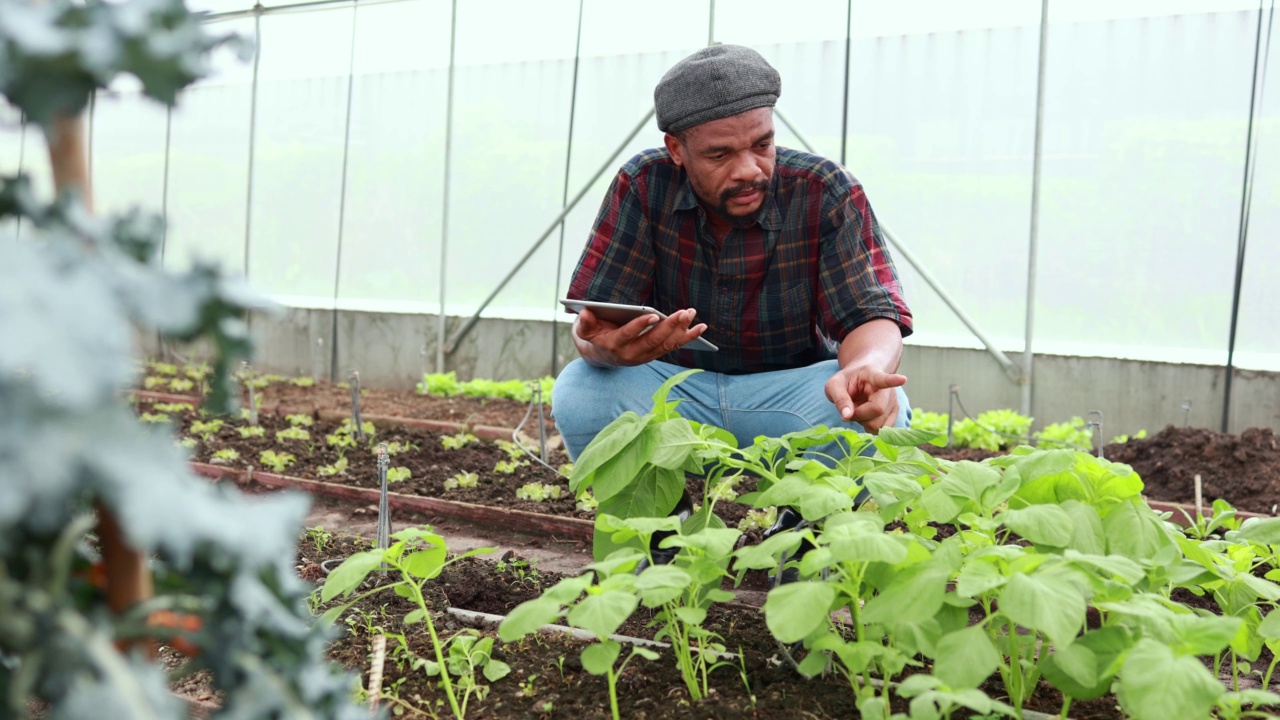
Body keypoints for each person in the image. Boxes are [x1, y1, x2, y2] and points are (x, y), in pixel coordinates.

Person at [552, 45, 913, 553]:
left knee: (866, 409)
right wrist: (603, 349)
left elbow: (870, 311)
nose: (749, 169)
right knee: (583, 391)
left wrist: (866, 367)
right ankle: (659, 531)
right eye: (720, 154)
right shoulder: (643, 184)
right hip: (678, 394)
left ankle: (803, 536)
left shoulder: (822, 189)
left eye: (762, 144)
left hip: (787, 401)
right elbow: (597, 322)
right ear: (676, 149)